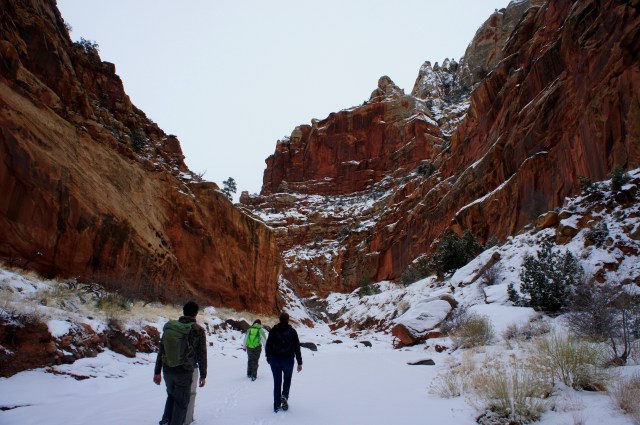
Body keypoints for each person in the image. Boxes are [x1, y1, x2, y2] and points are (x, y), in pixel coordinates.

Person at [153, 301, 207, 425]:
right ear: (196, 314)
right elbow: (202, 354)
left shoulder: (171, 327)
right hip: (185, 371)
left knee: (171, 396)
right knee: (181, 403)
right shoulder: (198, 330)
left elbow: (161, 350)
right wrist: (203, 375)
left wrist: (157, 372)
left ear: (183, 312)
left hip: (168, 369)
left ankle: (166, 421)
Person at [265, 312, 303, 413]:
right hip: (288, 361)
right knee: (287, 379)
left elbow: (268, 345)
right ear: (288, 320)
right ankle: (284, 396)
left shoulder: (273, 330)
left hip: (275, 360)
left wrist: (268, 358)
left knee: (277, 383)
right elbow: (297, 348)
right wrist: (299, 362)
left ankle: (276, 405)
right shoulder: (292, 331)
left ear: (279, 319)